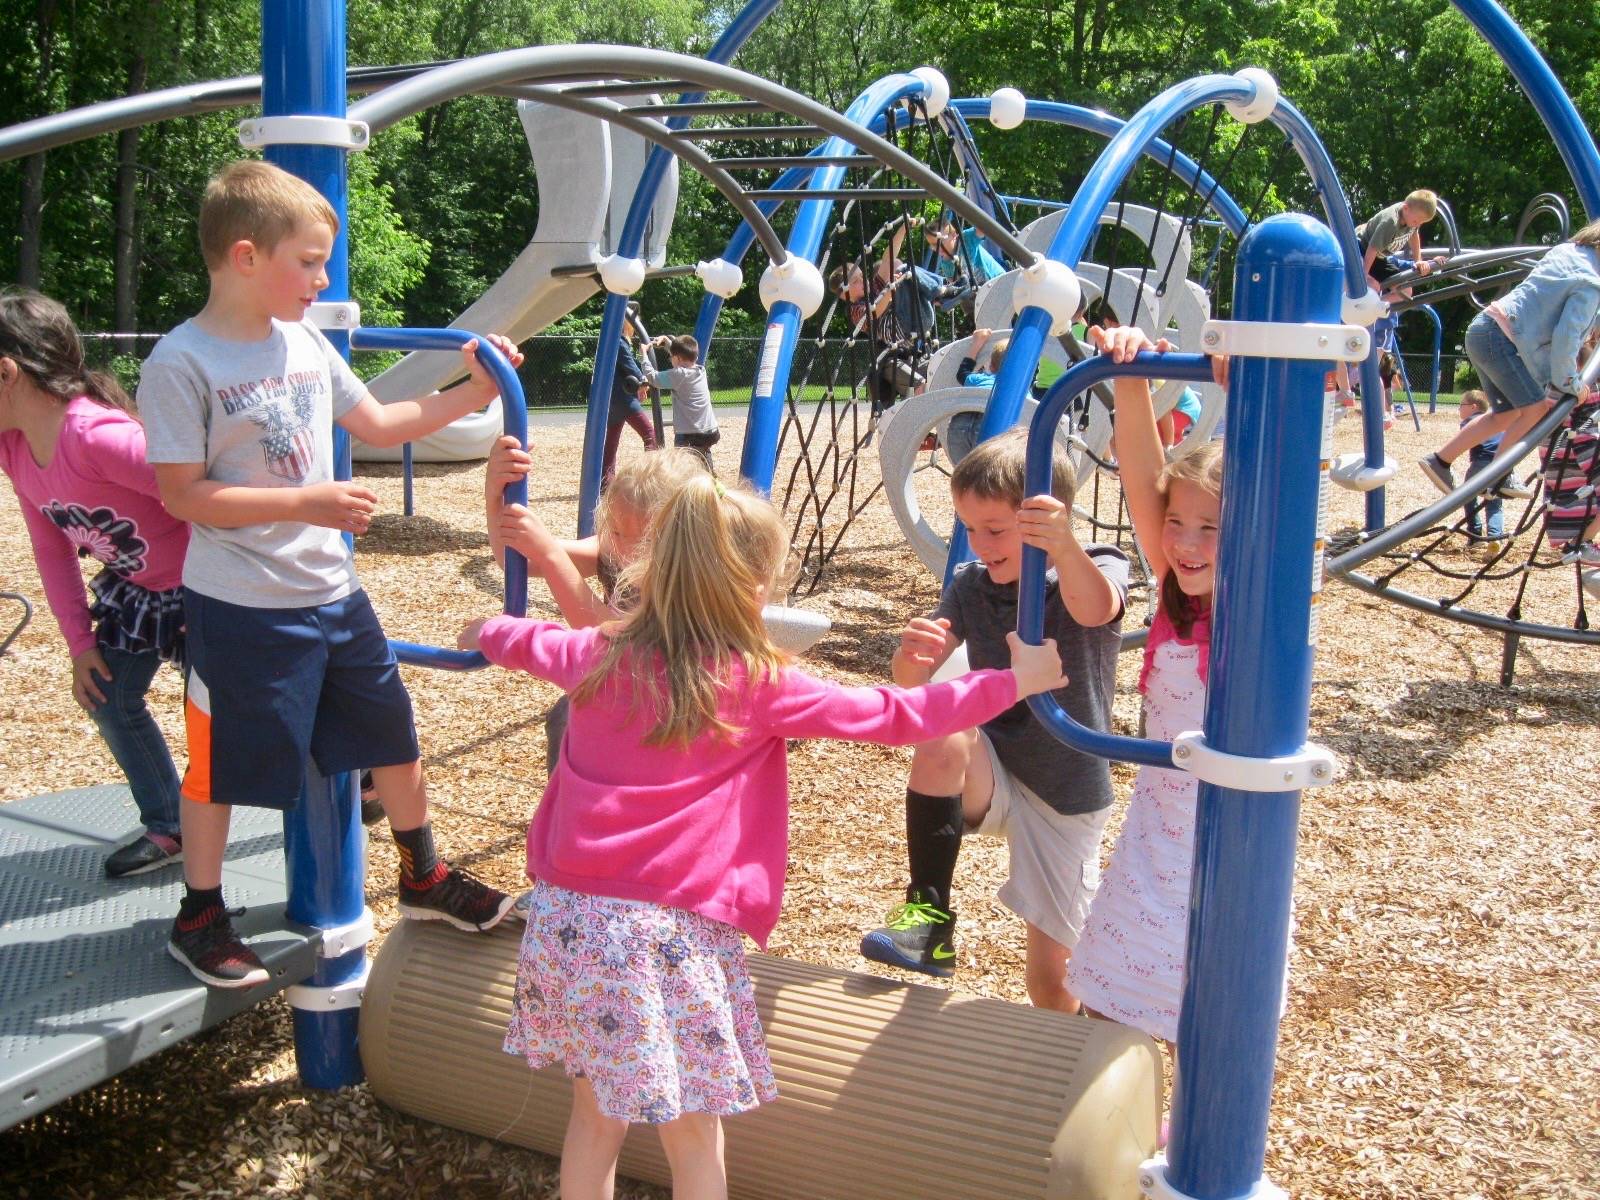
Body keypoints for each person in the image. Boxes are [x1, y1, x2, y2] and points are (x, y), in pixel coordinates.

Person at [457, 473, 1069, 1200]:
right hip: (668, 937)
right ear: (751, 589)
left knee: (595, 1112)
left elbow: (523, 638)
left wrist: (482, 633)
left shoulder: (598, 654)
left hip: (568, 923)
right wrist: (1012, 681)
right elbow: (894, 715)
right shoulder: (755, 681)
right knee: (694, 1130)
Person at [138, 160, 520, 988]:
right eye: (308, 262)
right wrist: (306, 501)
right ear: (246, 257)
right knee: (222, 762)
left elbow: (384, 419)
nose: (322, 279)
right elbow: (182, 494)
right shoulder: (182, 362)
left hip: (332, 592)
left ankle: (421, 872)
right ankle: (199, 911)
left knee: (393, 733)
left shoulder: (306, 344)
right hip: (241, 602)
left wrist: (473, 388)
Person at [859, 428, 1129, 1013]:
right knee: (943, 722)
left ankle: (1076, 1064)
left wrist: (1062, 549)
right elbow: (912, 685)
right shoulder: (970, 585)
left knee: (1050, 981)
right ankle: (929, 916)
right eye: (971, 528)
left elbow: (1096, 607)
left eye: (996, 530)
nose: (980, 544)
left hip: (1065, 788)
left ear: (1044, 521)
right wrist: (912, 658)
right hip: (994, 770)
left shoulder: (1096, 565)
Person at [1065, 322, 1223, 1049]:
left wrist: (1243, 387)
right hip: (1155, 830)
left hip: (1225, 842)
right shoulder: (1175, 596)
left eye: (1210, 529)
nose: (1185, 543)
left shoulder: (1253, 612)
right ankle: (1117, 1129)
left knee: (1202, 1007)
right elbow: (1139, 472)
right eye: (1178, 523)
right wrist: (1130, 377)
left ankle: (1184, 1139)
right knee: (1105, 995)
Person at [0, 289, 187, 877]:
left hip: (205, 590)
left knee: (244, 708)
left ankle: (352, 768)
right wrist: (80, 645)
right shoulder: (15, 448)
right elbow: (50, 547)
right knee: (108, 694)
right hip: (140, 593)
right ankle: (170, 825)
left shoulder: (102, 438)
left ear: (6, 372)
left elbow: (204, 497)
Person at [484, 438, 705, 768]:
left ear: (668, 541)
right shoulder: (613, 550)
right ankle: (569, 807)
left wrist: (550, 553)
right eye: (611, 528)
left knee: (586, 720)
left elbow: (613, 640)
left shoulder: (689, 584)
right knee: (566, 715)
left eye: (620, 533)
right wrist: (495, 496)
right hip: (625, 691)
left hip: (676, 701)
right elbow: (514, 558)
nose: (610, 541)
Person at [1419, 218, 1600, 501]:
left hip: (1484, 329)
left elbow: (1554, 303)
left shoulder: (1567, 252)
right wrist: (1571, 384)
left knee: (1507, 413)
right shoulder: (1591, 282)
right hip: (1502, 340)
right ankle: (1498, 475)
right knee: (1536, 409)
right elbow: (1567, 336)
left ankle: (1440, 461)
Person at [639, 333, 719, 469]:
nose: (671, 359)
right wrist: (666, 341)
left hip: (690, 434)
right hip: (710, 431)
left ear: (677, 358)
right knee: (702, 455)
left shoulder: (679, 374)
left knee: (683, 467)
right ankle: (709, 475)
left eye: (671, 357)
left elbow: (653, 378)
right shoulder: (700, 370)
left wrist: (644, 355)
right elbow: (683, 355)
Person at [600, 318, 658, 490]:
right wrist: (643, 382)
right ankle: (652, 475)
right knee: (649, 433)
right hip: (624, 398)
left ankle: (605, 482)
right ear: (627, 327)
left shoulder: (611, 341)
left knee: (611, 440)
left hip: (613, 398)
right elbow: (630, 365)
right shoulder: (619, 343)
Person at [1357, 189, 1447, 297]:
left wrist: (1418, 260)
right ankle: (1368, 306)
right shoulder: (1390, 222)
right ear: (1405, 208)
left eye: (1421, 222)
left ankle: (1378, 308)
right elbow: (1372, 248)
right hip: (1360, 248)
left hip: (1379, 257)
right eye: (1416, 221)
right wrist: (1363, 275)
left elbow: (1414, 236)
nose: (1417, 225)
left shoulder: (1411, 218)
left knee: (1405, 291)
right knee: (1372, 285)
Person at [1457, 390, 1505, 553]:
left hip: (1481, 462)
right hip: (1501, 463)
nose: (1459, 409)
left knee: (1467, 496)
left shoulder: (1471, 421)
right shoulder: (1497, 420)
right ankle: (1495, 536)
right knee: (1494, 503)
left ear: (1473, 407)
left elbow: (1467, 439)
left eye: (1461, 405)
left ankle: (1475, 534)